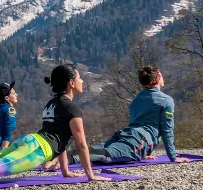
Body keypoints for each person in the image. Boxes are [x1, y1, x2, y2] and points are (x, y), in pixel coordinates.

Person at [42, 66, 189, 168]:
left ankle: (60, 157)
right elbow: (167, 130)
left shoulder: (136, 99)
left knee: (99, 149)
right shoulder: (166, 100)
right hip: (140, 140)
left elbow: (135, 122)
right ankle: (67, 157)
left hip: (126, 134)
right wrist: (173, 157)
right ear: (157, 79)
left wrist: (146, 152)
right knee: (106, 155)